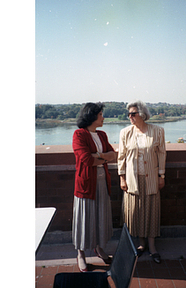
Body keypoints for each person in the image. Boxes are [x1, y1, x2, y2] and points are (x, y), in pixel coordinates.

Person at [117, 100, 166, 264]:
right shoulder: (125, 133)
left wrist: (161, 175)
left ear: (142, 115)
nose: (129, 116)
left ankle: (152, 247)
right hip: (132, 180)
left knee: (151, 211)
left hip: (151, 179)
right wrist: (122, 177)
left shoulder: (157, 131)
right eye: (129, 114)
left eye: (133, 113)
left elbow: (161, 154)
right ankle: (141, 243)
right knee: (136, 212)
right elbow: (121, 156)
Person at [72, 102, 116, 272]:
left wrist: (99, 156)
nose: (103, 118)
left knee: (100, 216)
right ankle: (81, 254)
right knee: (85, 218)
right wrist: (104, 157)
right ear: (92, 116)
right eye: (100, 115)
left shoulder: (102, 135)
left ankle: (99, 249)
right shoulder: (79, 135)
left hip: (102, 182)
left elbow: (113, 155)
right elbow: (87, 160)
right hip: (86, 185)